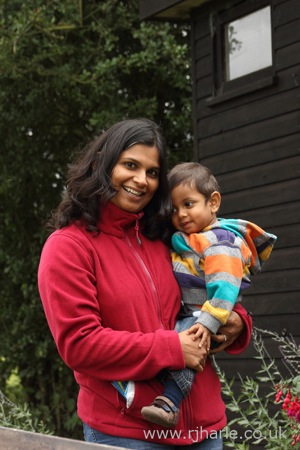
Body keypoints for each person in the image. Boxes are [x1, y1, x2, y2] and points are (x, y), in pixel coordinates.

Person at [38, 119, 253, 450]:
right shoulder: (68, 246)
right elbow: (79, 344)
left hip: (204, 431)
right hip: (127, 432)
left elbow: (208, 287)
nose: (142, 180)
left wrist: (238, 320)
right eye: (130, 165)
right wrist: (172, 349)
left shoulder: (168, 237)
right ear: (101, 164)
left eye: (152, 172)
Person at [141, 162, 277, 428]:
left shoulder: (219, 241)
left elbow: (225, 285)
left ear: (213, 202)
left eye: (189, 204)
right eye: (175, 209)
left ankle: (169, 402)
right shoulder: (193, 237)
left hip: (205, 312)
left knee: (190, 347)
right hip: (196, 310)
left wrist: (208, 320)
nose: (180, 214)